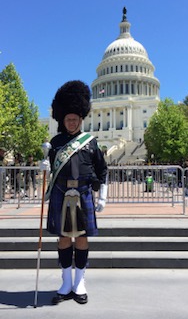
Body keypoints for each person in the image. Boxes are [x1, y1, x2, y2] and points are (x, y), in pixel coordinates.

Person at [40, 80, 108, 305]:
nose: (72, 122)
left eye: (75, 119)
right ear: (63, 120)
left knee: (81, 237)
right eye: (68, 119)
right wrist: (44, 168)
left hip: (83, 192)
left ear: (81, 119)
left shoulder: (90, 143)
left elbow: (102, 169)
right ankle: (65, 282)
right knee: (63, 238)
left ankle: (80, 282)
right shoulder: (56, 143)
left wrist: (103, 195)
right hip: (61, 191)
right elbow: (51, 168)